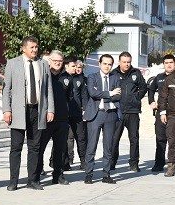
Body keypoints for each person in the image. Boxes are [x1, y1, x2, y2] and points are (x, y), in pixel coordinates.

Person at [2, 36, 54, 191]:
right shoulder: (12, 63)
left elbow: (48, 88)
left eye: (36, 47)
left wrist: (50, 109)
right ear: (23, 48)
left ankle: (33, 180)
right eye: (31, 47)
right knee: (16, 147)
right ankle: (13, 181)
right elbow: (6, 89)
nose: (35, 50)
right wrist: (6, 109)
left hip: (37, 110)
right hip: (19, 111)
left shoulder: (43, 64)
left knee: (35, 147)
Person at [84, 54, 121, 184]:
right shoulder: (92, 77)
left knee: (108, 146)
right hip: (96, 114)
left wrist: (101, 93)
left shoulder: (115, 78)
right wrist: (110, 93)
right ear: (100, 64)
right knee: (91, 145)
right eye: (105, 63)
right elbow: (92, 93)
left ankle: (106, 174)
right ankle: (89, 174)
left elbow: (118, 97)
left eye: (110, 64)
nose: (107, 66)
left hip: (110, 114)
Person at [110, 51, 147, 172]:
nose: (126, 64)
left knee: (134, 139)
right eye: (124, 62)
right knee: (114, 139)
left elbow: (143, 87)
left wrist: (136, 98)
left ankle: (134, 163)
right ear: (119, 62)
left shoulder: (136, 73)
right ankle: (112, 162)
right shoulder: (113, 73)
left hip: (133, 111)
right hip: (118, 111)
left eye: (128, 62)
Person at [39, 50, 72, 185]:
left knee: (60, 149)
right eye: (55, 61)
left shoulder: (67, 77)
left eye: (60, 61)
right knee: (40, 148)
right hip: (46, 119)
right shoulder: (43, 75)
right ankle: (36, 175)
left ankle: (58, 175)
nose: (58, 63)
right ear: (49, 61)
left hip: (62, 119)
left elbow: (69, 97)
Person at [147, 54, 174, 172]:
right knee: (160, 139)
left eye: (171, 62)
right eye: (166, 63)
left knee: (173, 139)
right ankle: (159, 163)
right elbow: (151, 89)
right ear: (163, 64)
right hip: (161, 112)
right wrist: (152, 101)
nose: (169, 65)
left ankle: (173, 163)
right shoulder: (159, 77)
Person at [63, 57, 87, 171]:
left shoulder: (80, 79)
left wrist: (85, 109)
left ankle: (83, 161)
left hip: (77, 113)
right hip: (64, 113)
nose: (76, 68)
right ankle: (66, 162)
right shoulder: (62, 77)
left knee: (81, 138)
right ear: (66, 66)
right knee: (66, 139)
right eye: (73, 66)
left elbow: (84, 95)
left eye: (76, 66)